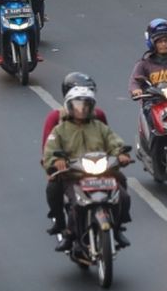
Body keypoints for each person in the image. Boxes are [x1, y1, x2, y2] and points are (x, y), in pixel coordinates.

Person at [43, 85, 134, 251]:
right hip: (74, 176)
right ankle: (67, 232)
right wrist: (57, 161)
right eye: (77, 105)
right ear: (69, 106)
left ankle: (118, 227)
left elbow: (114, 143)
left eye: (85, 105)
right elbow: (49, 152)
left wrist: (121, 155)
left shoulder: (99, 127)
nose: (81, 109)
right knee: (64, 196)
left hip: (103, 174)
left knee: (123, 195)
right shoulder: (60, 130)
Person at [41, 72, 108, 150]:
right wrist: (57, 159)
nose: (82, 109)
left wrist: (119, 153)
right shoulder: (56, 117)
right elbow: (48, 148)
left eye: (86, 103)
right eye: (77, 103)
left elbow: (109, 139)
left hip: (96, 159)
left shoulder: (98, 115)